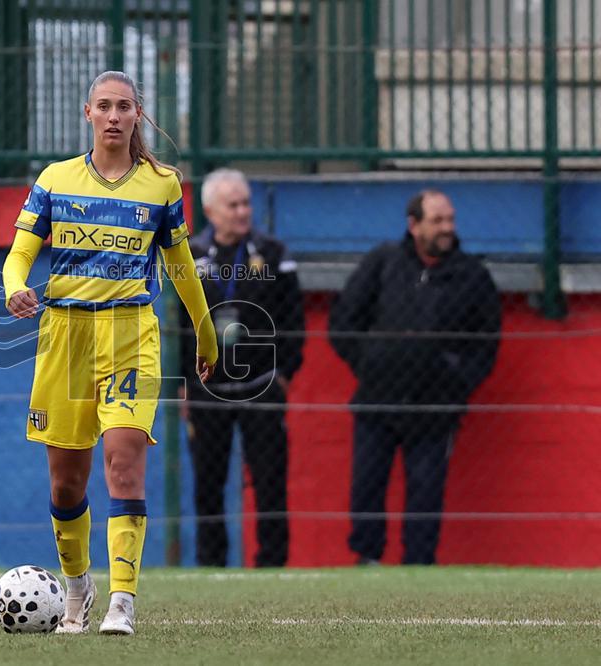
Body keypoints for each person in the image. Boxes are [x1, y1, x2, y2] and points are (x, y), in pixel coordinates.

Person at [1, 71, 218, 635]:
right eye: (104, 106)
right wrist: (14, 286)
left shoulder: (162, 184)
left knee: (123, 463)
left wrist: (204, 330)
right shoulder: (55, 179)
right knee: (66, 484)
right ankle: (77, 590)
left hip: (130, 335)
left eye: (124, 106)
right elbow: (19, 254)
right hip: (66, 338)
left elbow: (180, 265)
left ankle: (122, 600)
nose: (114, 116)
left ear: (137, 114)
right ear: (88, 113)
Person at [328, 189, 501, 565]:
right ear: (414, 225)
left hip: (435, 407)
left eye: (450, 220)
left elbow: (486, 345)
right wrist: (371, 364)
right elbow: (343, 322)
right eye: (437, 221)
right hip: (378, 399)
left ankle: (419, 567)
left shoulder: (472, 276)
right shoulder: (382, 263)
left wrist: (456, 383)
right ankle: (367, 560)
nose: (447, 228)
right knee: (367, 484)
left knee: (426, 491)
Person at [181, 169, 305, 567]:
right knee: (208, 483)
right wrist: (184, 382)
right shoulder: (191, 256)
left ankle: (273, 564)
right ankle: (211, 565)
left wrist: (285, 373)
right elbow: (180, 324)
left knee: (270, 480)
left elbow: (293, 319)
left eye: (246, 203)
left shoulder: (272, 254)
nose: (242, 212)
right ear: (210, 210)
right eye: (233, 205)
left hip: (262, 385)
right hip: (208, 390)